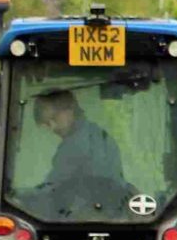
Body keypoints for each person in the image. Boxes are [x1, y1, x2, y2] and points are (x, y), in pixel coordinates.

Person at [31, 88, 132, 217]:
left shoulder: (74, 145)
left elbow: (54, 186)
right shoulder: (98, 134)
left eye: (54, 118)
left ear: (70, 110)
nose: (53, 127)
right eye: (47, 123)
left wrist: (29, 197)